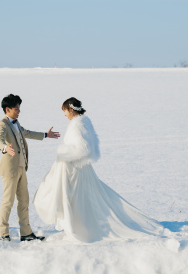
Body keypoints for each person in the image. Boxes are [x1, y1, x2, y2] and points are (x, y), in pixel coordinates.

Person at [34, 97, 164, 243]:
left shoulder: (77, 125)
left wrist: (63, 154)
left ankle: (79, 229)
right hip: (82, 168)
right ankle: (80, 226)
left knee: (74, 199)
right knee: (82, 199)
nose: (64, 114)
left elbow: (84, 149)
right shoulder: (84, 122)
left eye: (64, 111)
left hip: (75, 170)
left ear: (71, 109)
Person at [0, 94, 60, 241]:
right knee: (8, 201)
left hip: (21, 168)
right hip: (9, 169)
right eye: (16, 108)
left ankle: (26, 233)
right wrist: (5, 148)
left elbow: (27, 133)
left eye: (19, 108)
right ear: (8, 109)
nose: (19, 111)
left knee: (24, 200)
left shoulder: (16, 124)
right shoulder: (2, 124)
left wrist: (45, 134)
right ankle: (2, 234)